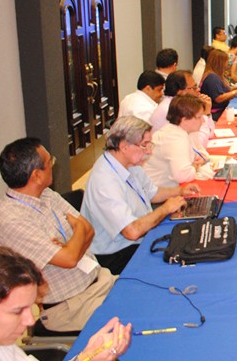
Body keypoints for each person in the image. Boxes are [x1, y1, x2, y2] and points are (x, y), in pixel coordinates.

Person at [0, 138, 115, 332]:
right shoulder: (12, 220)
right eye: (50, 162)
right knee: (138, 320)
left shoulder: (45, 194)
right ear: (37, 175)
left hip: (100, 281)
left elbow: (88, 229)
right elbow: (70, 258)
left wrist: (69, 245)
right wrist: (76, 236)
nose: (53, 164)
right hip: (71, 308)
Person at [81, 117, 199, 274]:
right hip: (116, 254)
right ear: (124, 146)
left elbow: (153, 193)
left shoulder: (129, 163)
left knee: (191, 237)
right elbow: (131, 232)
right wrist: (165, 209)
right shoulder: (104, 182)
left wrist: (179, 191)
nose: (149, 151)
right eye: (144, 145)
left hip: (138, 238)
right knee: (183, 260)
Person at [0, 247, 131, 361]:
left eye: (30, 307)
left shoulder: (1, 346)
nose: (31, 320)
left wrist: (86, 356)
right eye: (17, 311)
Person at [145, 96, 212, 187]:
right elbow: (183, 176)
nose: (203, 121)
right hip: (160, 190)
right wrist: (195, 167)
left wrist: (200, 160)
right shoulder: (174, 137)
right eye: (199, 117)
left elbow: (202, 154)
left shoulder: (188, 131)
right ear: (185, 120)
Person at [149, 70, 214, 149]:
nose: (198, 90)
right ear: (180, 92)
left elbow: (210, 133)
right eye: (194, 88)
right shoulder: (173, 109)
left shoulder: (179, 104)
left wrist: (207, 113)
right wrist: (205, 114)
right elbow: (198, 145)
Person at [199, 49, 237, 121]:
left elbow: (220, 90)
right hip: (216, 112)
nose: (227, 64)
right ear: (220, 63)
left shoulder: (214, 75)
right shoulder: (212, 77)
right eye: (226, 61)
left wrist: (235, 89)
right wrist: (236, 92)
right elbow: (218, 98)